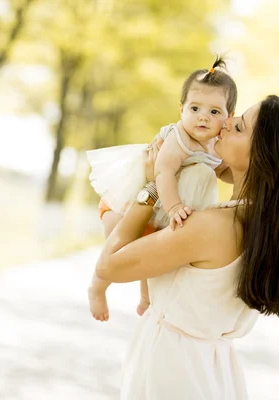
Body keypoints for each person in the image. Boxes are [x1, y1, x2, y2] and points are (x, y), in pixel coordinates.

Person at [89, 95, 279, 399]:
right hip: (210, 372)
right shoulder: (262, 228)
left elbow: (109, 265)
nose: (224, 122)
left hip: (173, 375)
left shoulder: (214, 226)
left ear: (264, 157)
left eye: (239, 127)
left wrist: (150, 188)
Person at [86, 56, 237, 320]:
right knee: (117, 238)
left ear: (229, 117)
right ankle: (97, 288)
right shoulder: (179, 138)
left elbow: (223, 171)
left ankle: (146, 299)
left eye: (214, 112)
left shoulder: (216, 146)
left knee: (147, 253)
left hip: (161, 210)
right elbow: (163, 172)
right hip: (134, 198)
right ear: (181, 109)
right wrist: (175, 206)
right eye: (195, 108)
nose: (203, 117)